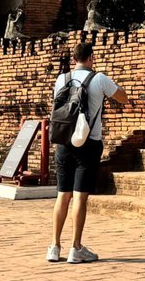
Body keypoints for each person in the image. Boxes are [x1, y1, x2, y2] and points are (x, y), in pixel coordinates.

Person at [47, 40, 126, 264]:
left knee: (63, 195)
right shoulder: (98, 78)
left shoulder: (61, 78)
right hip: (88, 143)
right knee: (80, 197)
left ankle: (54, 246)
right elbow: (122, 97)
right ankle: (76, 247)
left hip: (64, 141)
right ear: (91, 58)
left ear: (74, 59)